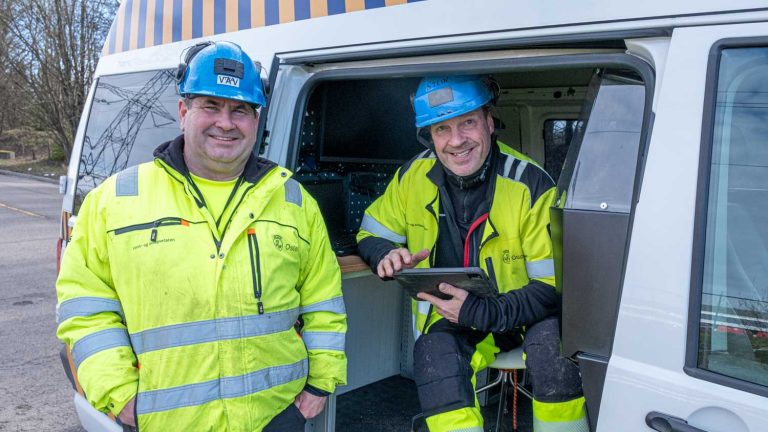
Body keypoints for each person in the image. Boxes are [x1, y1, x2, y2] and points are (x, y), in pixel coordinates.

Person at [56, 41, 347, 431]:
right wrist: (120, 396)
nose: (225, 122)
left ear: (255, 121)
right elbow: (85, 311)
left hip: (277, 417)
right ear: (183, 112)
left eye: (240, 109)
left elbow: (324, 303)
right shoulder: (114, 200)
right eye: (211, 105)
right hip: (165, 421)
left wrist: (318, 387)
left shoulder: (293, 200)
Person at [357, 75, 587, 432]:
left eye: (467, 123)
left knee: (554, 356)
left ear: (489, 123)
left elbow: (551, 287)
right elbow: (371, 231)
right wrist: (384, 253)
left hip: (526, 314)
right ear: (429, 137)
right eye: (441, 129)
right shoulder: (411, 177)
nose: (456, 141)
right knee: (434, 357)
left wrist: (483, 310)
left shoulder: (531, 184)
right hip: (455, 316)